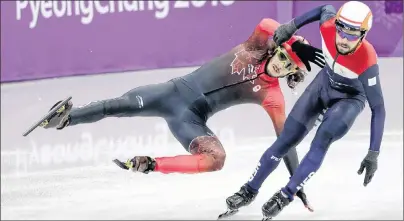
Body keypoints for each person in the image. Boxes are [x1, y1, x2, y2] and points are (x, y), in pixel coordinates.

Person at [39, 18, 324, 211]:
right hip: (170, 93)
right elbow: (267, 24)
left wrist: (294, 183)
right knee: (119, 105)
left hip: (190, 120)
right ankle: (67, 117)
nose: (280, 66)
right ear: (278, 48)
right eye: (283, 57)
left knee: (217, 159)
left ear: (292, 74)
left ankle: (149, 164)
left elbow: (287, 141)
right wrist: (294, 36)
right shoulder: (255, 45)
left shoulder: (272, 96)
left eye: (288, 67)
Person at [224, 1, 386, 220]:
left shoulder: (368, 61)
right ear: (336, 25)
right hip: (324, 84)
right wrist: (292, 26)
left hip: (349, 99)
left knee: (322, 139)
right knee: (285, 139)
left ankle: (286, 194)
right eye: (341, 31)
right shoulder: (327, 25)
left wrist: (373, 153)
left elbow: (379, 108)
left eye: (352, 35)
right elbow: (324, 8)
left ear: (363, 35)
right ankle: (250, 189)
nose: (344, 39)